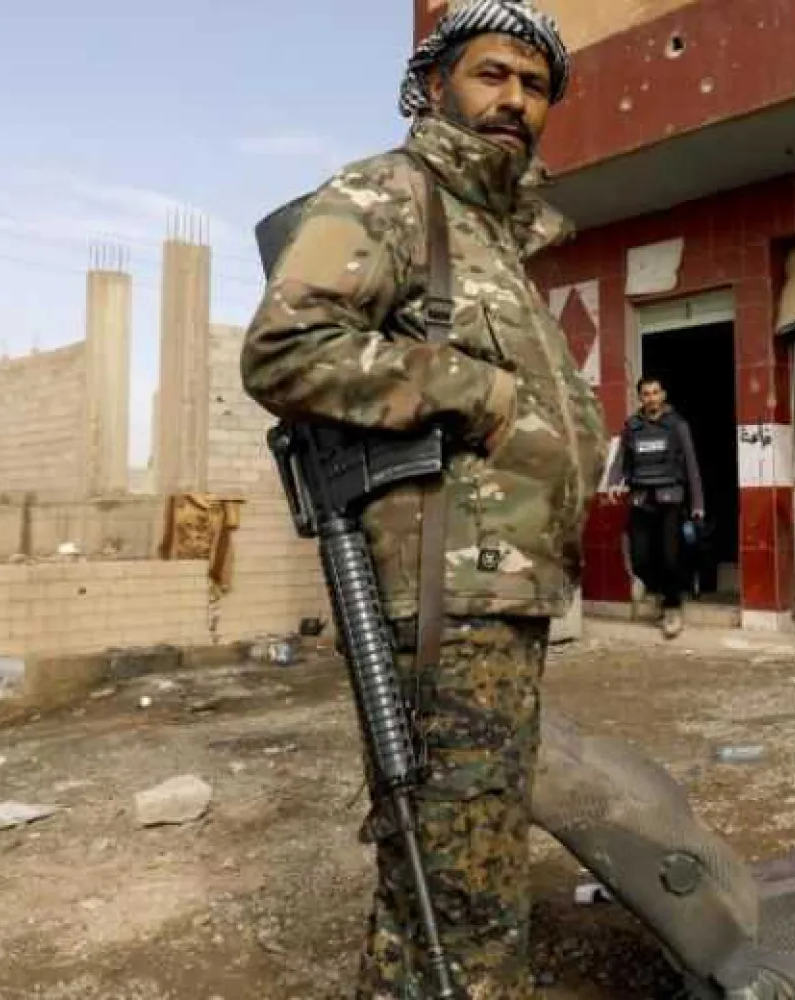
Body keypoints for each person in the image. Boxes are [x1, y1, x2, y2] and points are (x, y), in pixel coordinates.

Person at [240, 4, 605, 997]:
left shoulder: (492, 232)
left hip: (500, 598)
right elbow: (284, 348)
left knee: (444, 878)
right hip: (444, 603)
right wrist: (475, 393)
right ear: (437, 83)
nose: (515, 102)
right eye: (494, 75)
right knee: (467, 892)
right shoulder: (395, 195)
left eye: (534, 88)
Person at [606, 376, 705, 638]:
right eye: (645, 394)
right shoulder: (632, 426)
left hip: (670, 498)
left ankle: (672, 606)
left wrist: (698, 503)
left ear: (663, 395)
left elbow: (692, 464)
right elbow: (620, 460)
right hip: (640, 498)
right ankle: (665, 592)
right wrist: (613, 483)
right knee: (640, 561)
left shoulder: (677, 425)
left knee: (670, 558)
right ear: (640, 398)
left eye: (655, 392)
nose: (651, 398)